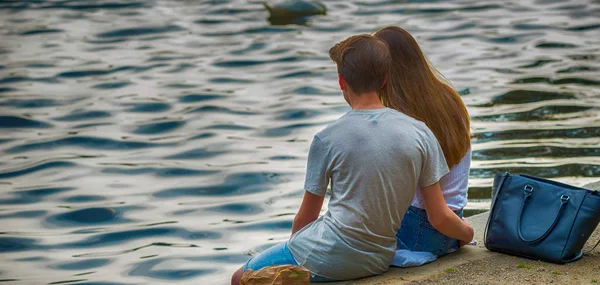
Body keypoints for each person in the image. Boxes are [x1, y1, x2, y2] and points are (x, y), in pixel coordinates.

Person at [231, 34, 474, 284]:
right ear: (385, 79)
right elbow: (438, 213)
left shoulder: (326, 139)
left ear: (341, 81)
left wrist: (295, 256)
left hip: (329, 253)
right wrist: (467, 232)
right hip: (378, 259)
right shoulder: (420, 131)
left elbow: (306, 218)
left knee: (241, 277)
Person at [374, 26, 473, 256]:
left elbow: (433, 211)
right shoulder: (449, 98)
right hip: (451, 230)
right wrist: (463, 233)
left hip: (420, 230)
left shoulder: (399, 115)